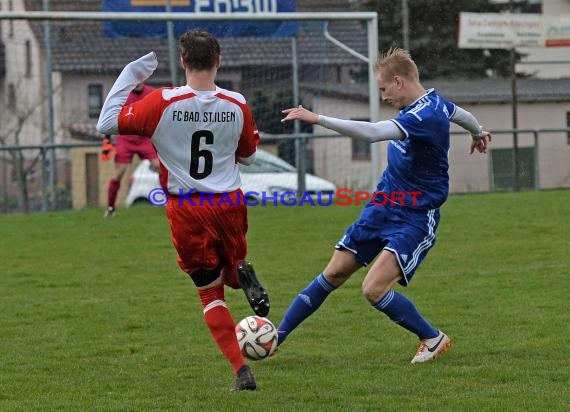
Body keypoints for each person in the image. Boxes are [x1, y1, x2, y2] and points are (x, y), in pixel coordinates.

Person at [277, 47, 492, 364]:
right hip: (383, 205)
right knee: (335, 272)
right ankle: (275, 338)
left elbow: (374, 132)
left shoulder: (425, 115)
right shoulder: (434, 103)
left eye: (383, 89)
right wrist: (477, 132)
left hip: (415, 216)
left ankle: (432, 338)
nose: (383, 95)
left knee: (373, 289)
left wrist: (317, 118)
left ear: (398, 81)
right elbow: (461, 114)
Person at [96, 29, 270, 391]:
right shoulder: (237, 103)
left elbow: (105, 123)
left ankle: (242, 371)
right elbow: (250, 157)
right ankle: (242, 276)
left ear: (183, 61)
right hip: (230, 203)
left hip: (188, 208)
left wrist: (130, 74)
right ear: (219, 61)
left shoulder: (162, 101)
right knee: (231, 267)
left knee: (210, 292)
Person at [103, 82, 159, 218]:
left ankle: (171, 205)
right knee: (119, 172)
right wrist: (106, 142)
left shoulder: (152, 93)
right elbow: (108, 115)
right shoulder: (122, 95)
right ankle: (110, 208)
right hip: (125, 137)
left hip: (144, 137)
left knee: (161, 168)